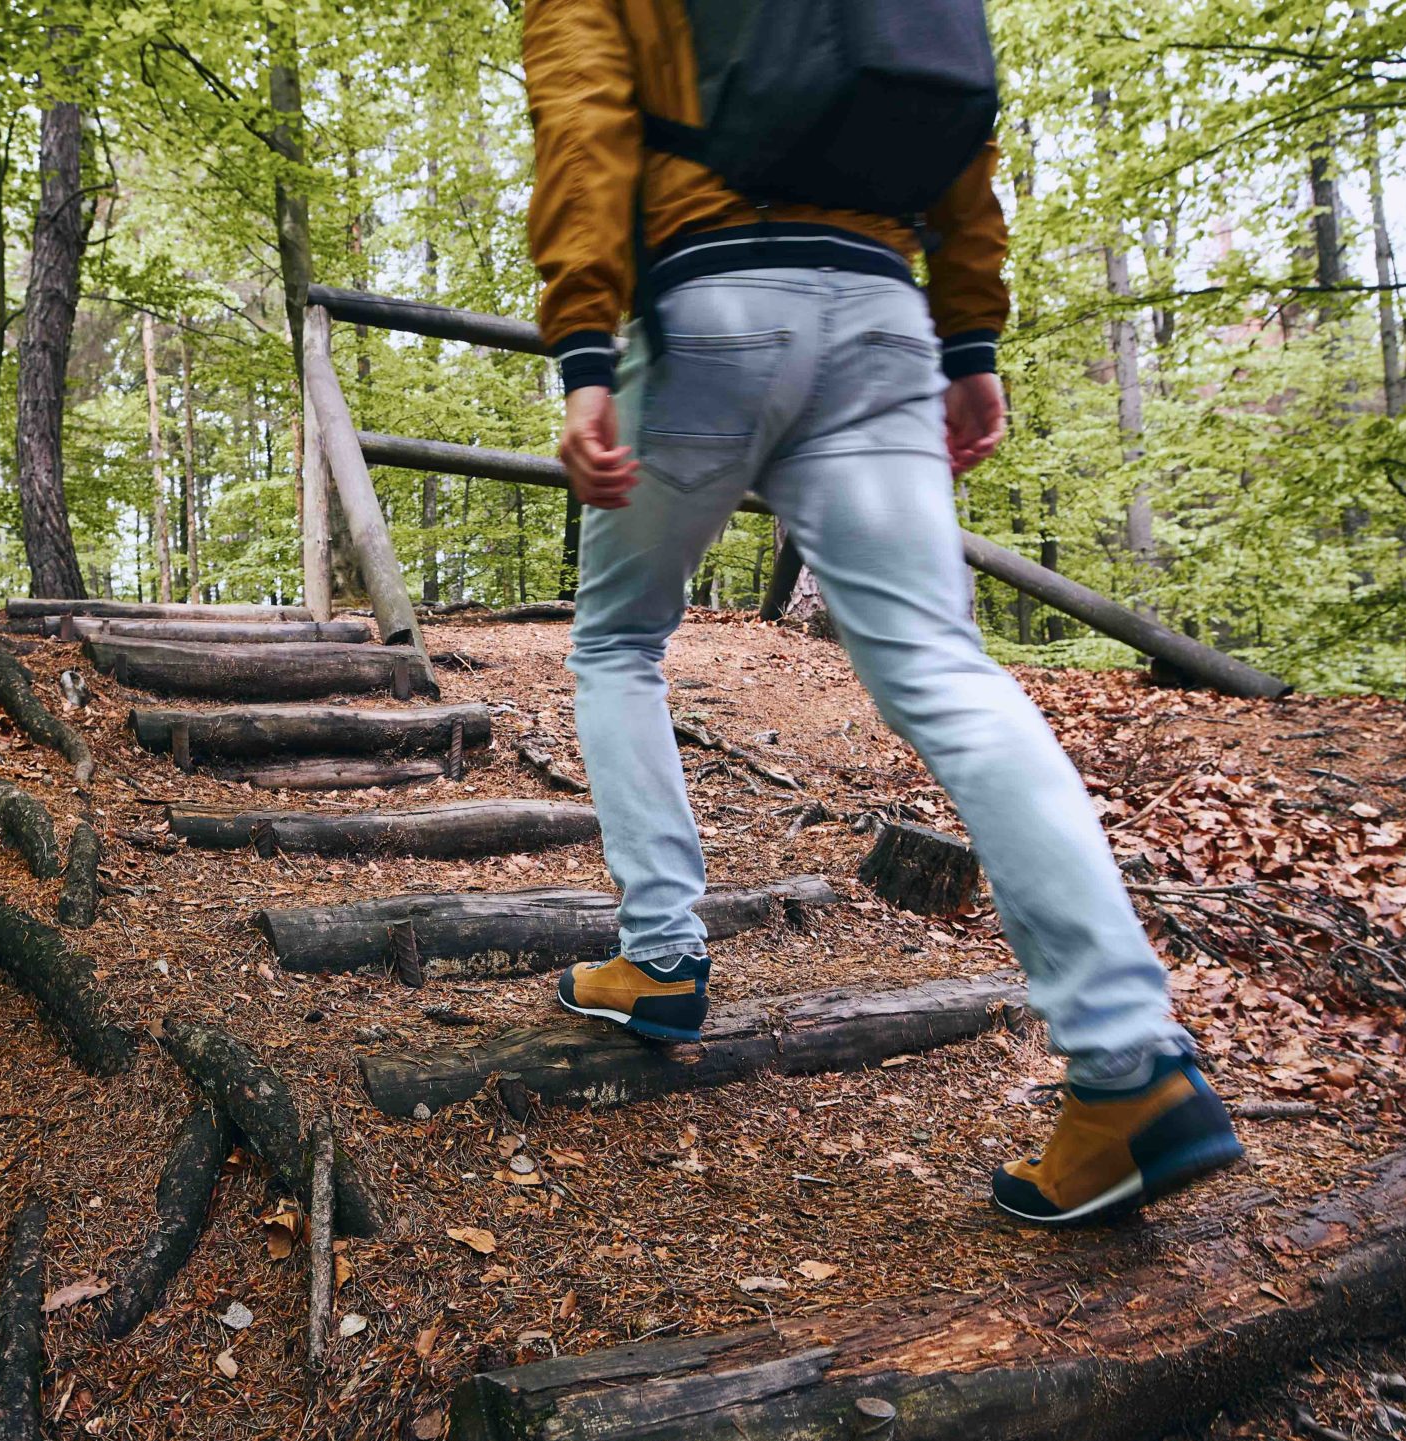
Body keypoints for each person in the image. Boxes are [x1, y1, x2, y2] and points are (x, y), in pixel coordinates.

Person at [524, 0, 1242, 1224]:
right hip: (878, 314)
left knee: (617, 643)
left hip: (708, 306)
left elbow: (584, 122)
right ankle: (1129, 1069)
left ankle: (659, 960)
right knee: (947, 676)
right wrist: (970, 333)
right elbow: (958, 113)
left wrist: (583, 346)